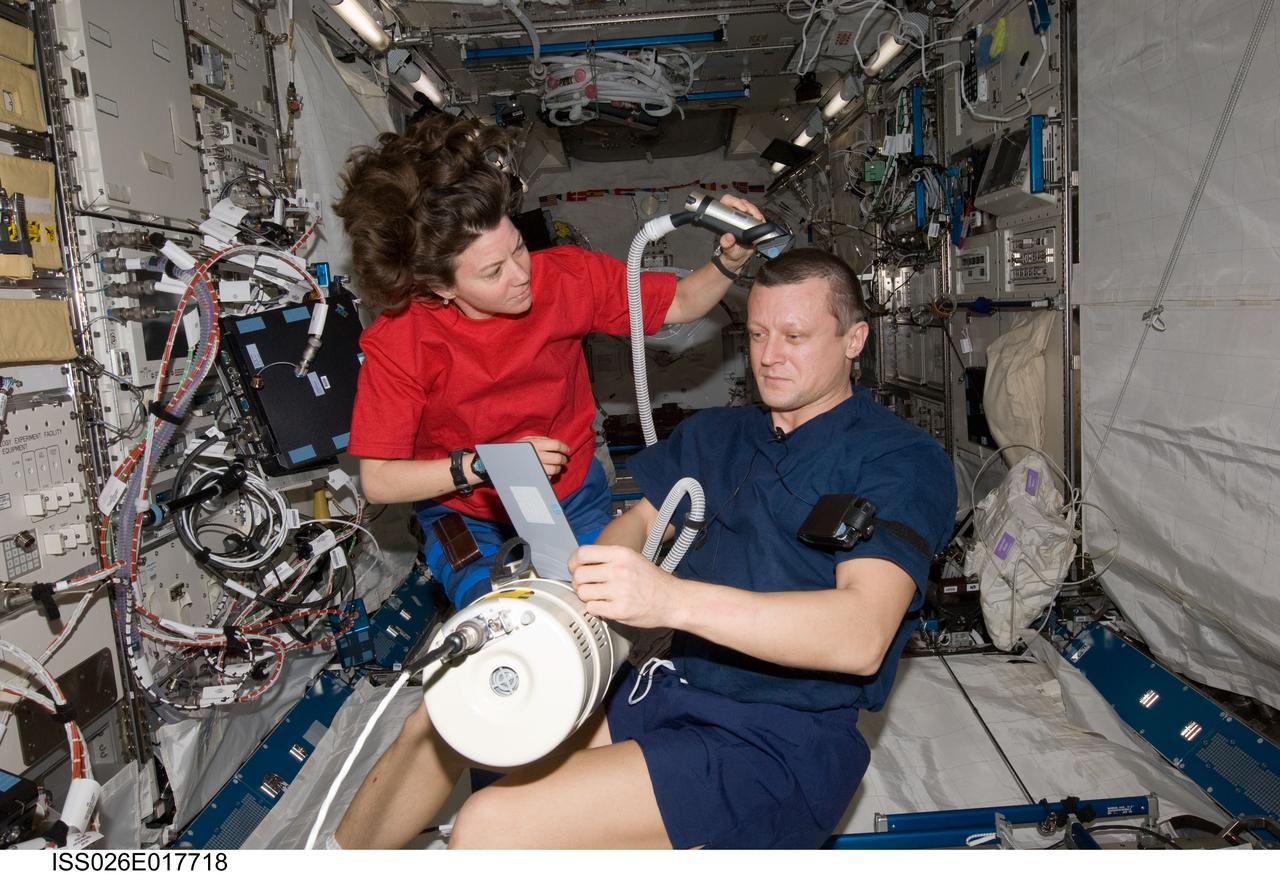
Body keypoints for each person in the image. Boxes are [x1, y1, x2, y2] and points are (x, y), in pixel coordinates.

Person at [333, 248, 957, 849]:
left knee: (489, 824)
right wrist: (587, 579)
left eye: (795, 338)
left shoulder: (898, 459)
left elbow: (860, 636)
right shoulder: (720, 434)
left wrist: (669, 600)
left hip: (779, 737)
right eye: (758, 335)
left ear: (854, 339)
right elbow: (635, 524)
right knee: (448, 721)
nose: (770, 357)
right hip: (666, 691)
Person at [336, 113, 764, 611]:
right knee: (502, 622)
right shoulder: (401, 338)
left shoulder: (564, 277)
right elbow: (381, 479)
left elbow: (683, 302)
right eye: (494, 271)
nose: (521, 275)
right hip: (467, 510)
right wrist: (484, 466)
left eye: (518, 248)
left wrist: (732, 260)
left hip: (572, 491)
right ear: (440, 287)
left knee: (588, 611)